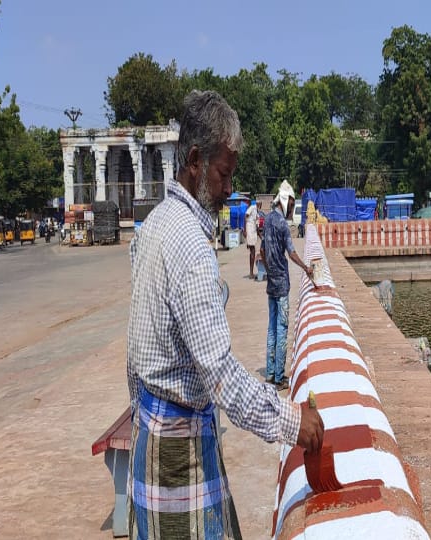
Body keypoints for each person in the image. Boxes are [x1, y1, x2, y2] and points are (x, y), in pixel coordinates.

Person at [126, 90, 323, 540]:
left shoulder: (153, 225)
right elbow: (222, 377)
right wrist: (293, 421)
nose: (229, 189)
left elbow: (135, 356)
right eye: (223, 174)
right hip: (178, 453)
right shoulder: (191, 246)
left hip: (149, 434)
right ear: (195, 160)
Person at [260, 180, 313, 391]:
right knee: (281, 328)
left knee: (271, 328)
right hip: (281, 282)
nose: (292, 208)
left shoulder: (267, 221)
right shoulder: (281, 223)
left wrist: (268, 269)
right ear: (286, 201)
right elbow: (291, 253)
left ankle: (271, 373)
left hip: (271, 281)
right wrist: (306, 268)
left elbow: (263, 251)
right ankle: (280, 376)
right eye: (291, 204)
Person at [243, 199, 261, 279]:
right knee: (252, 251)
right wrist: (244, 230)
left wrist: (261, 236)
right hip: (249, 229)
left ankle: (252, 272)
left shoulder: (257, 213)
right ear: (257, 204)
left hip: (254, 231)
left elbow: (257, 227)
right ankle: (251, 272)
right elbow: (245, 216)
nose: (260, 205)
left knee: (253, 251)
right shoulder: (252, 208)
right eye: (259, 204)